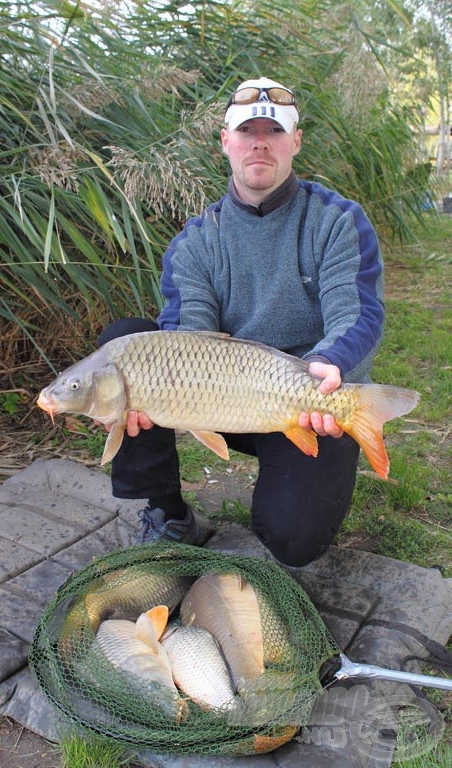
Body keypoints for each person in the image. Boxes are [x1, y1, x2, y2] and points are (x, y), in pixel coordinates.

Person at [97, 76, 384, 567]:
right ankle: (167, 514)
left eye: (273, 132)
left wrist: (328, 364)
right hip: (218, 399)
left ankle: (311, 474)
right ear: (225, 142)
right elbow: (187, 331)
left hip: (305, 399)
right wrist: (154, 394)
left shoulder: (337, 220)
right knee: (126, 347)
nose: (259, 142)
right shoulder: (197, 240)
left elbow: (356, 313)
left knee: (294, 539)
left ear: (295, 141)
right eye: (247, 130)